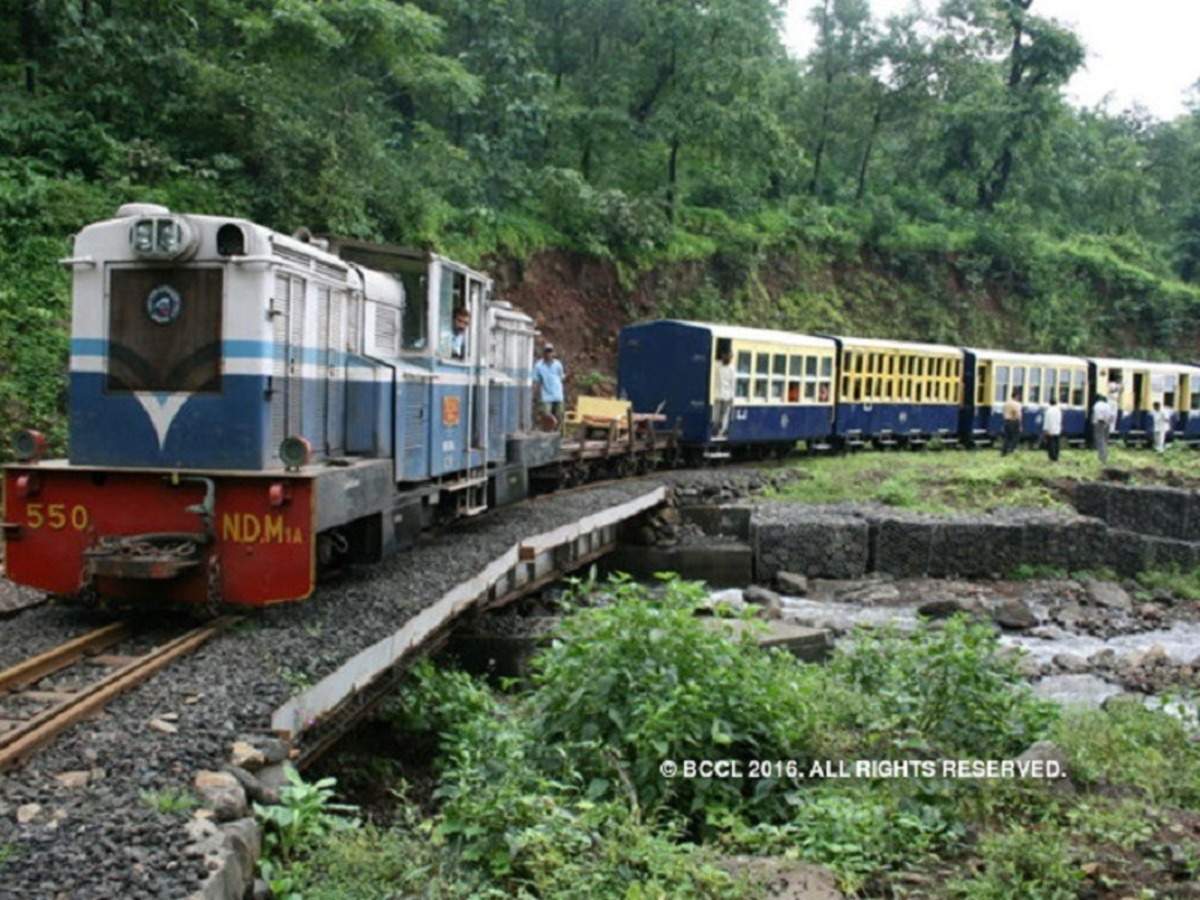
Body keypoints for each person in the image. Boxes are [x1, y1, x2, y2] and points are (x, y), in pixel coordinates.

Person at [533, 343, 566, 431]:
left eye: (550, 351)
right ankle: (548, 433)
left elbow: (561, 377)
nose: (548, 354)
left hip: (558, 395)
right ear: (543, 353)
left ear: (553, 353)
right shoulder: (538, 366)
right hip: (546, 395)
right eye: (547, 351)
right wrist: (535, 395)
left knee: (559, 415)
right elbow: (536, 381)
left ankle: (557, 436)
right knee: (546, 415)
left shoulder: (558, 364)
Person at [713, 350, 735, 438]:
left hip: (727, 395)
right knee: (717, 413)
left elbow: (732, 383)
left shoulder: (732, 369)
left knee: (725, 414)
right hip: (717, 393)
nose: (728, 359)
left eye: (729, 357)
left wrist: (732, 397)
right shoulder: (717, 365)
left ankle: (722, 430)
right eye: (726, 356)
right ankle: (716, 428)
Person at [1092, 394, 1115, 464]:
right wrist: (1108, 423)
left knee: (1100, 440)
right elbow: (1112, 416)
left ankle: (1102, 458)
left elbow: (1098, 416)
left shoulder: (1097, 405)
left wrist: (1099, 422)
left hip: (1099, 424)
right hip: (1107, 424)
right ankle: (1105, 456)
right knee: (1105, 441)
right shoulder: (1108, 406)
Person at [1001, 388, 1022, 456]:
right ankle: (1012, 450)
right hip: (1014, 421)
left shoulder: (1006, 403)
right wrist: (1020, 424)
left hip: (1006, 421)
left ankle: (1004, 451)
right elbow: (1017, 414)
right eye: (1018, 396)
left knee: (1007, 437)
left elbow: (1003, 412)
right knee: (1015, 437)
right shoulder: (1017, 404)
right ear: (1016, 396)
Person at [1042, 396, 1062, 462]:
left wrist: (1045, 430)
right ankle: (1056, 456)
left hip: (1050, 430)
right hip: (1057, 429)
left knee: (1051, 444)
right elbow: (1060, 420)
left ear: (1049, 403)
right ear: (1056, 403)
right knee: (1057, 444)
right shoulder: (1059, 411)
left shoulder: (1048, 411)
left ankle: (1052, 457)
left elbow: (1046, 421)